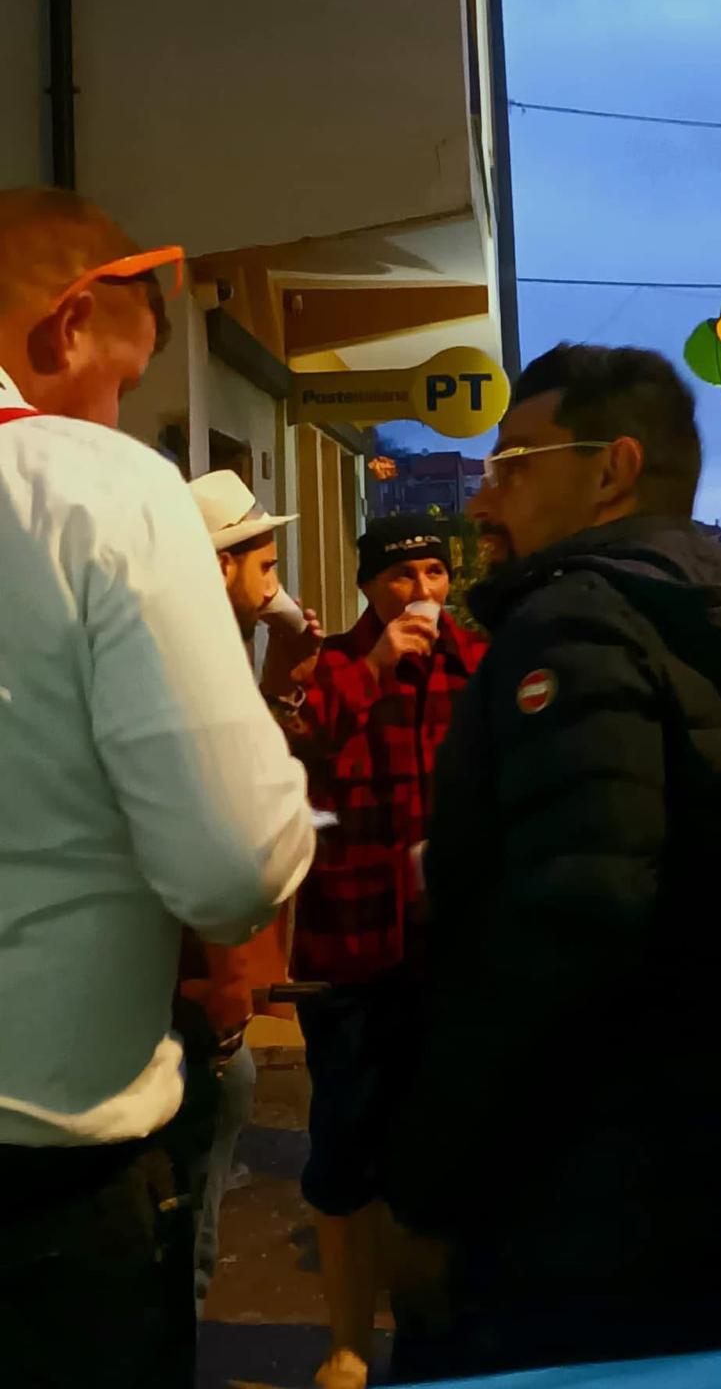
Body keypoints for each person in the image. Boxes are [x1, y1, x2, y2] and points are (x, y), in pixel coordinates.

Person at [385, 344, 721, 1377]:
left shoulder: (577, 624)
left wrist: (430, 1179)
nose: (484, 498)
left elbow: (571, 921)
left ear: (612, 468)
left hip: (587, 1216)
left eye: (513, 463)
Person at [0, 186, 315, 1386]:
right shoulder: (92, 483)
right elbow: (231, 861)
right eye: (124, 381)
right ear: (71, 321)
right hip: (42, 1201)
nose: (116, 412)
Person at [281, 515, 485, 1389]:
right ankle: (348, 1343)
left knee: (440, 1157)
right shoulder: (327, 667)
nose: (421, 593)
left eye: (434, 574)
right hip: (352, 943)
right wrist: (371, 668)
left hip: (451, 951)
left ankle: (431, 1342)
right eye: (402, 577)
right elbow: (296, 751)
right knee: (344, 1156)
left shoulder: (479, 667)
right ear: (369, 584)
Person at [182, 469, 325, 1313]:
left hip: (191, 989)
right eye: (264, 565)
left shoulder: (212, 655)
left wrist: (284, 669)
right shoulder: (189, 664)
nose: (276, 585)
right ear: (220, 566)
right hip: (194, 992)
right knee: (185, 1238)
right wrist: (232, 980)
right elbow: (220, 814)